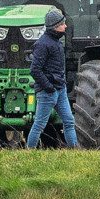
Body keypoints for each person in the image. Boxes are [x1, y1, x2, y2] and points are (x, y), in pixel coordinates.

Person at [26, 12, 77, 149]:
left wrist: (59, 86)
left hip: (60, 89)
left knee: (69, 121)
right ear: (54, 26)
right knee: (39, 124)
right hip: (48, 91)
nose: (65, 26)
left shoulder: (56, 42)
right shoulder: (43, 44)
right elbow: (34, 70)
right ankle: (28, 153)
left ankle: (75, 150)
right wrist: (48, 87)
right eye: (62, 24)